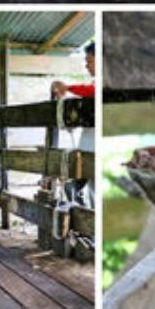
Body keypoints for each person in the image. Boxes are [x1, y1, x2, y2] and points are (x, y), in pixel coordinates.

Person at [51, 42, 95, 212]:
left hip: (93, 144)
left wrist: (67, 88)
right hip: (88, 143)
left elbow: (92, 91)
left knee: (92, 186)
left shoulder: (103, 84)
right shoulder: (95, 84)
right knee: (89, 185)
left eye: (89, 61)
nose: (87, 65)